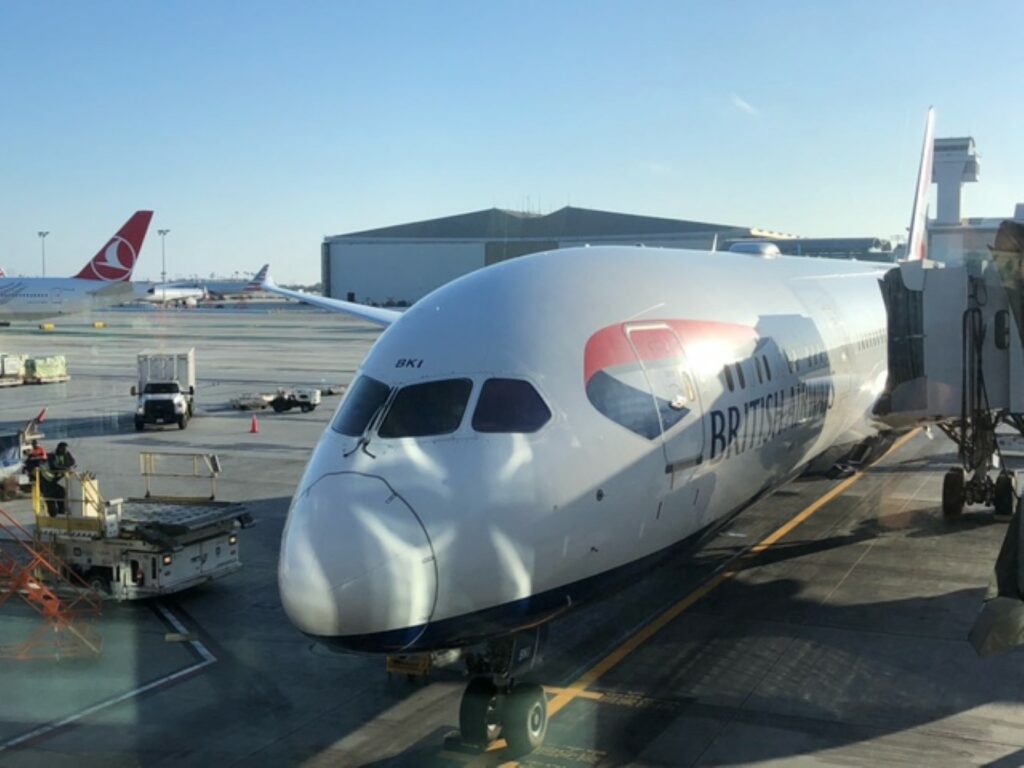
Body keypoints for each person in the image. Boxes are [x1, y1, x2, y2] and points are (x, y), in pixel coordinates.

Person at [41, 442, 76, 516]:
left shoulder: (66, 454)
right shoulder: (52, 455)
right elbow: (54, 466)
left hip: (56, 479)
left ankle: (61, 512)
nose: (65, 451)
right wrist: (66, 468)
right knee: (50, 497)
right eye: (63, 449)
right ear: (59, 448)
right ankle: (53, 516)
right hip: (47, 480)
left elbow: (72, 462)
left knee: (61, 492)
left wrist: (66, 467)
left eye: (66, 449)